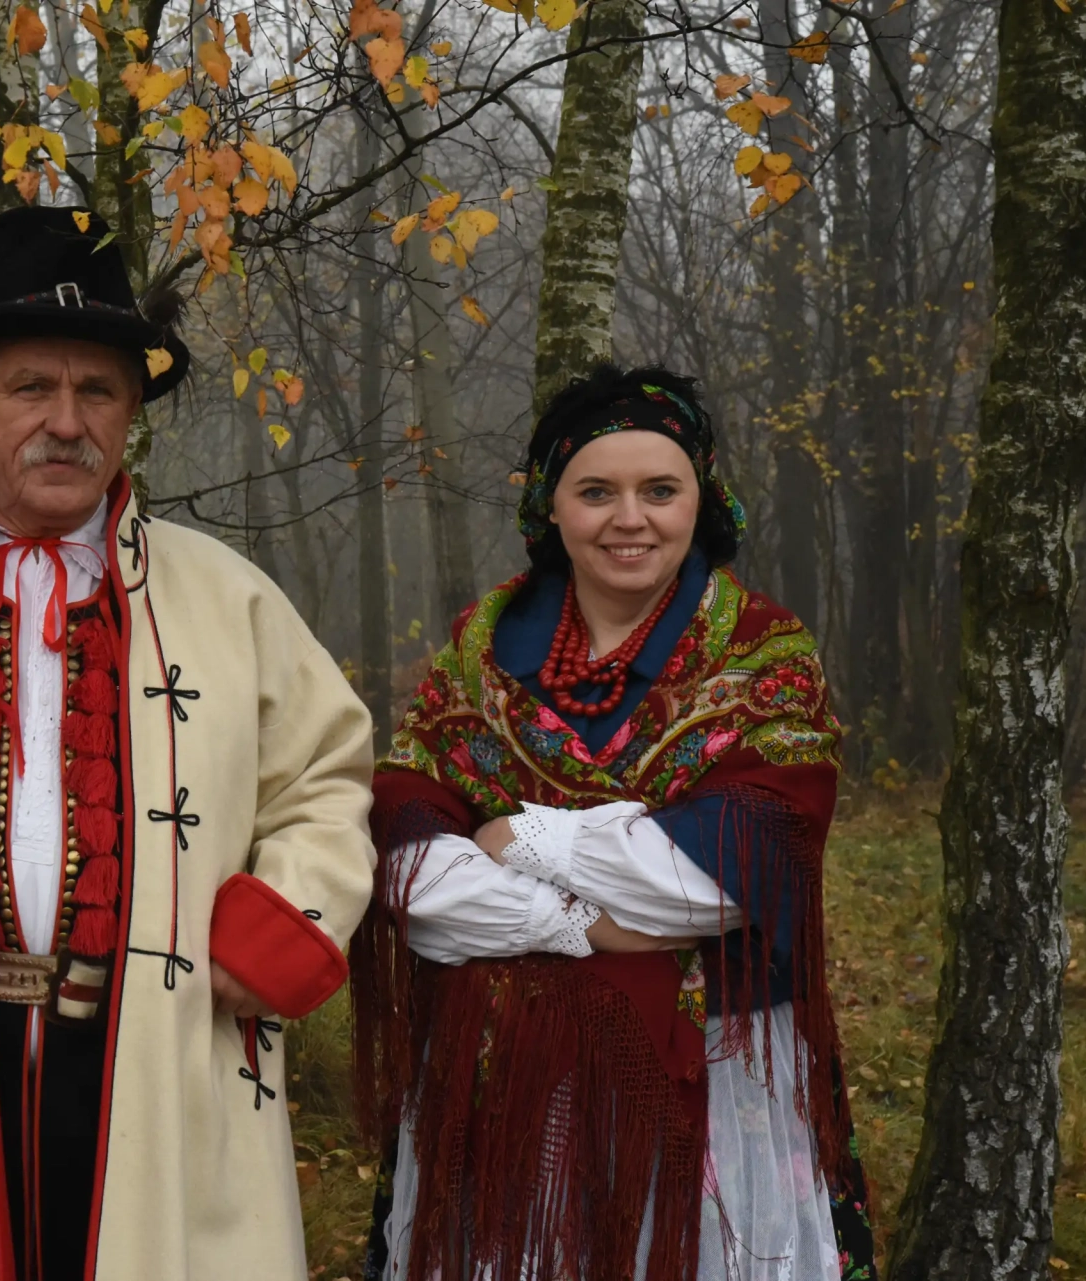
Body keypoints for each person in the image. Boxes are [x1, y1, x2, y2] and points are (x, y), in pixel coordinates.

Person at [0, 204, 376, 1281]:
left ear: (131, 411)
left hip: (165, 1044)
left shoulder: (225, 594)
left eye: (97, 391)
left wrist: (278, 926)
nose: (66, 421)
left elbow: (326, 776)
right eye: (30, 388)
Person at [351, 365, 876, 1281]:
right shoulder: (482, 648)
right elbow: (410, 865)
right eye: (596, 491)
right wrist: (578, 921)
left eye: (659, 490)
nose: (629, 518)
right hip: (506, 1081)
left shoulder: (763, 653)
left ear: (700, 500)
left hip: (714, 1086)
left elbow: (730, 875)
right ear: (550, 507)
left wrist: (521, 838)